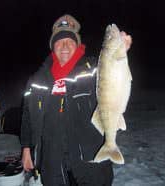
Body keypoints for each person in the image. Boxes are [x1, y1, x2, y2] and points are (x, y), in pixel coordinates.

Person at [21, 14, 132, 186]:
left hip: (90, 163)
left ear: (77, 44)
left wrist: (121, 51)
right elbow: (27, 117)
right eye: (59, 41)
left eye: (70, 41)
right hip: (53, 164)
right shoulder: (37, 80)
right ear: (52, 46)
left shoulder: (94, 70)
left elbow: (114, 78)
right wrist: (26, 149)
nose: (64, 45)